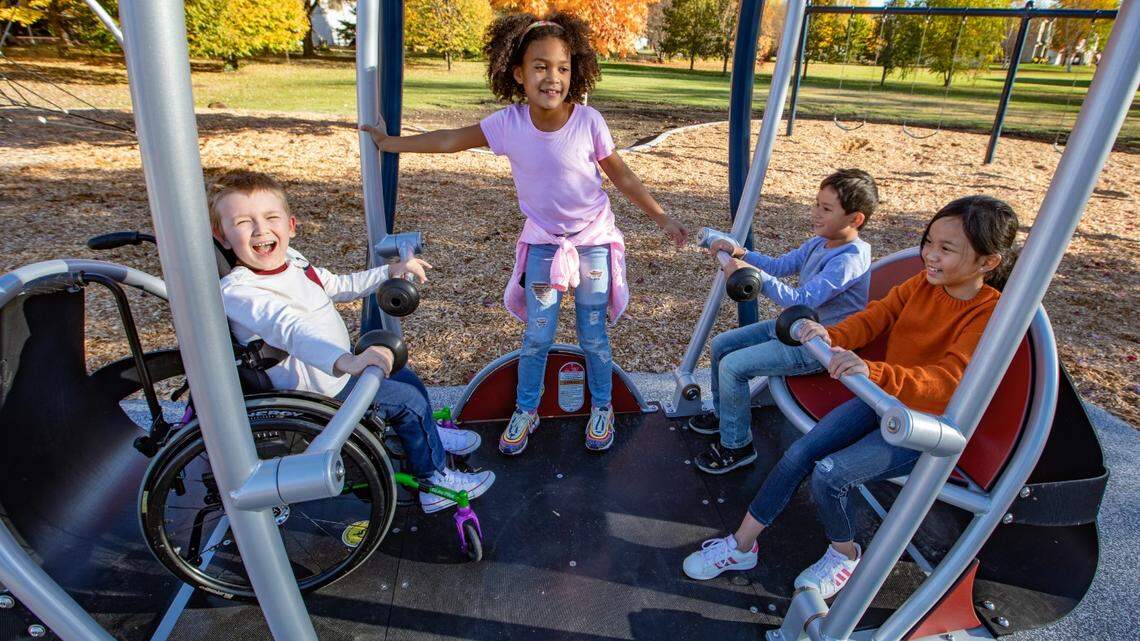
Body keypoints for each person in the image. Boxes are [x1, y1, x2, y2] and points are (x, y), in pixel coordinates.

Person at [361, 12, 688, 455]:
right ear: (518, 72)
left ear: (575, 72)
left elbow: (623, 177)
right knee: (538, 335)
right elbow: (450, 140)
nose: (552, 77)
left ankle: (603, 406)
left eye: (563, 67)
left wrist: (663, 217)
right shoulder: (508, 124)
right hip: (543, 244)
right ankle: (527, 408)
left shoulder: (589, 121)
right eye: (540, 66)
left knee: (593, 333)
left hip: (592, 241)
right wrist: (390, 143)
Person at [682, 196, 1019, 598]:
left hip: (926, 423)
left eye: (946, 249)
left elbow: (947, 380)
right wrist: (830, 336)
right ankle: (741, 545)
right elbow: (876, 316)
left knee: (831, 475)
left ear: (987, 263)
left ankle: (844, 552)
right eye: (929, 242)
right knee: (799, 454)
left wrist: (873, 371)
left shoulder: (988, 313)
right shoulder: (922, 284)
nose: (929, 255)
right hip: (883, 399)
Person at [209, 170, 494, 514]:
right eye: (243, 222)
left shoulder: (294, 262)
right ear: (221, 236)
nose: (261, 230)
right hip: (320, 392)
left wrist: (389, 272)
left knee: (406, 377)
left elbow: (336, 284)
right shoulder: (241, 290)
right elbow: (290, 329)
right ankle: (433, 480)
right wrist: (350, 362)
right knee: (407, 401)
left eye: (271, 218)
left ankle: (426, 436)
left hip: (340, 373)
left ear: (291, 224)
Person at [690, 169, 878, 475]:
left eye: (826, 209)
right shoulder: (821, 242)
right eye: (817, 204)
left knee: (733, 366)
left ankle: (737, 446)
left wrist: (752, 275)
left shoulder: (850, 259)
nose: (815, 213)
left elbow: (799, 300)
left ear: (855, 219)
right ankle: (727, 418)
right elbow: (780, 266)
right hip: (795, 329)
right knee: (722, 345)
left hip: (820, 346)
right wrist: (742, 253)